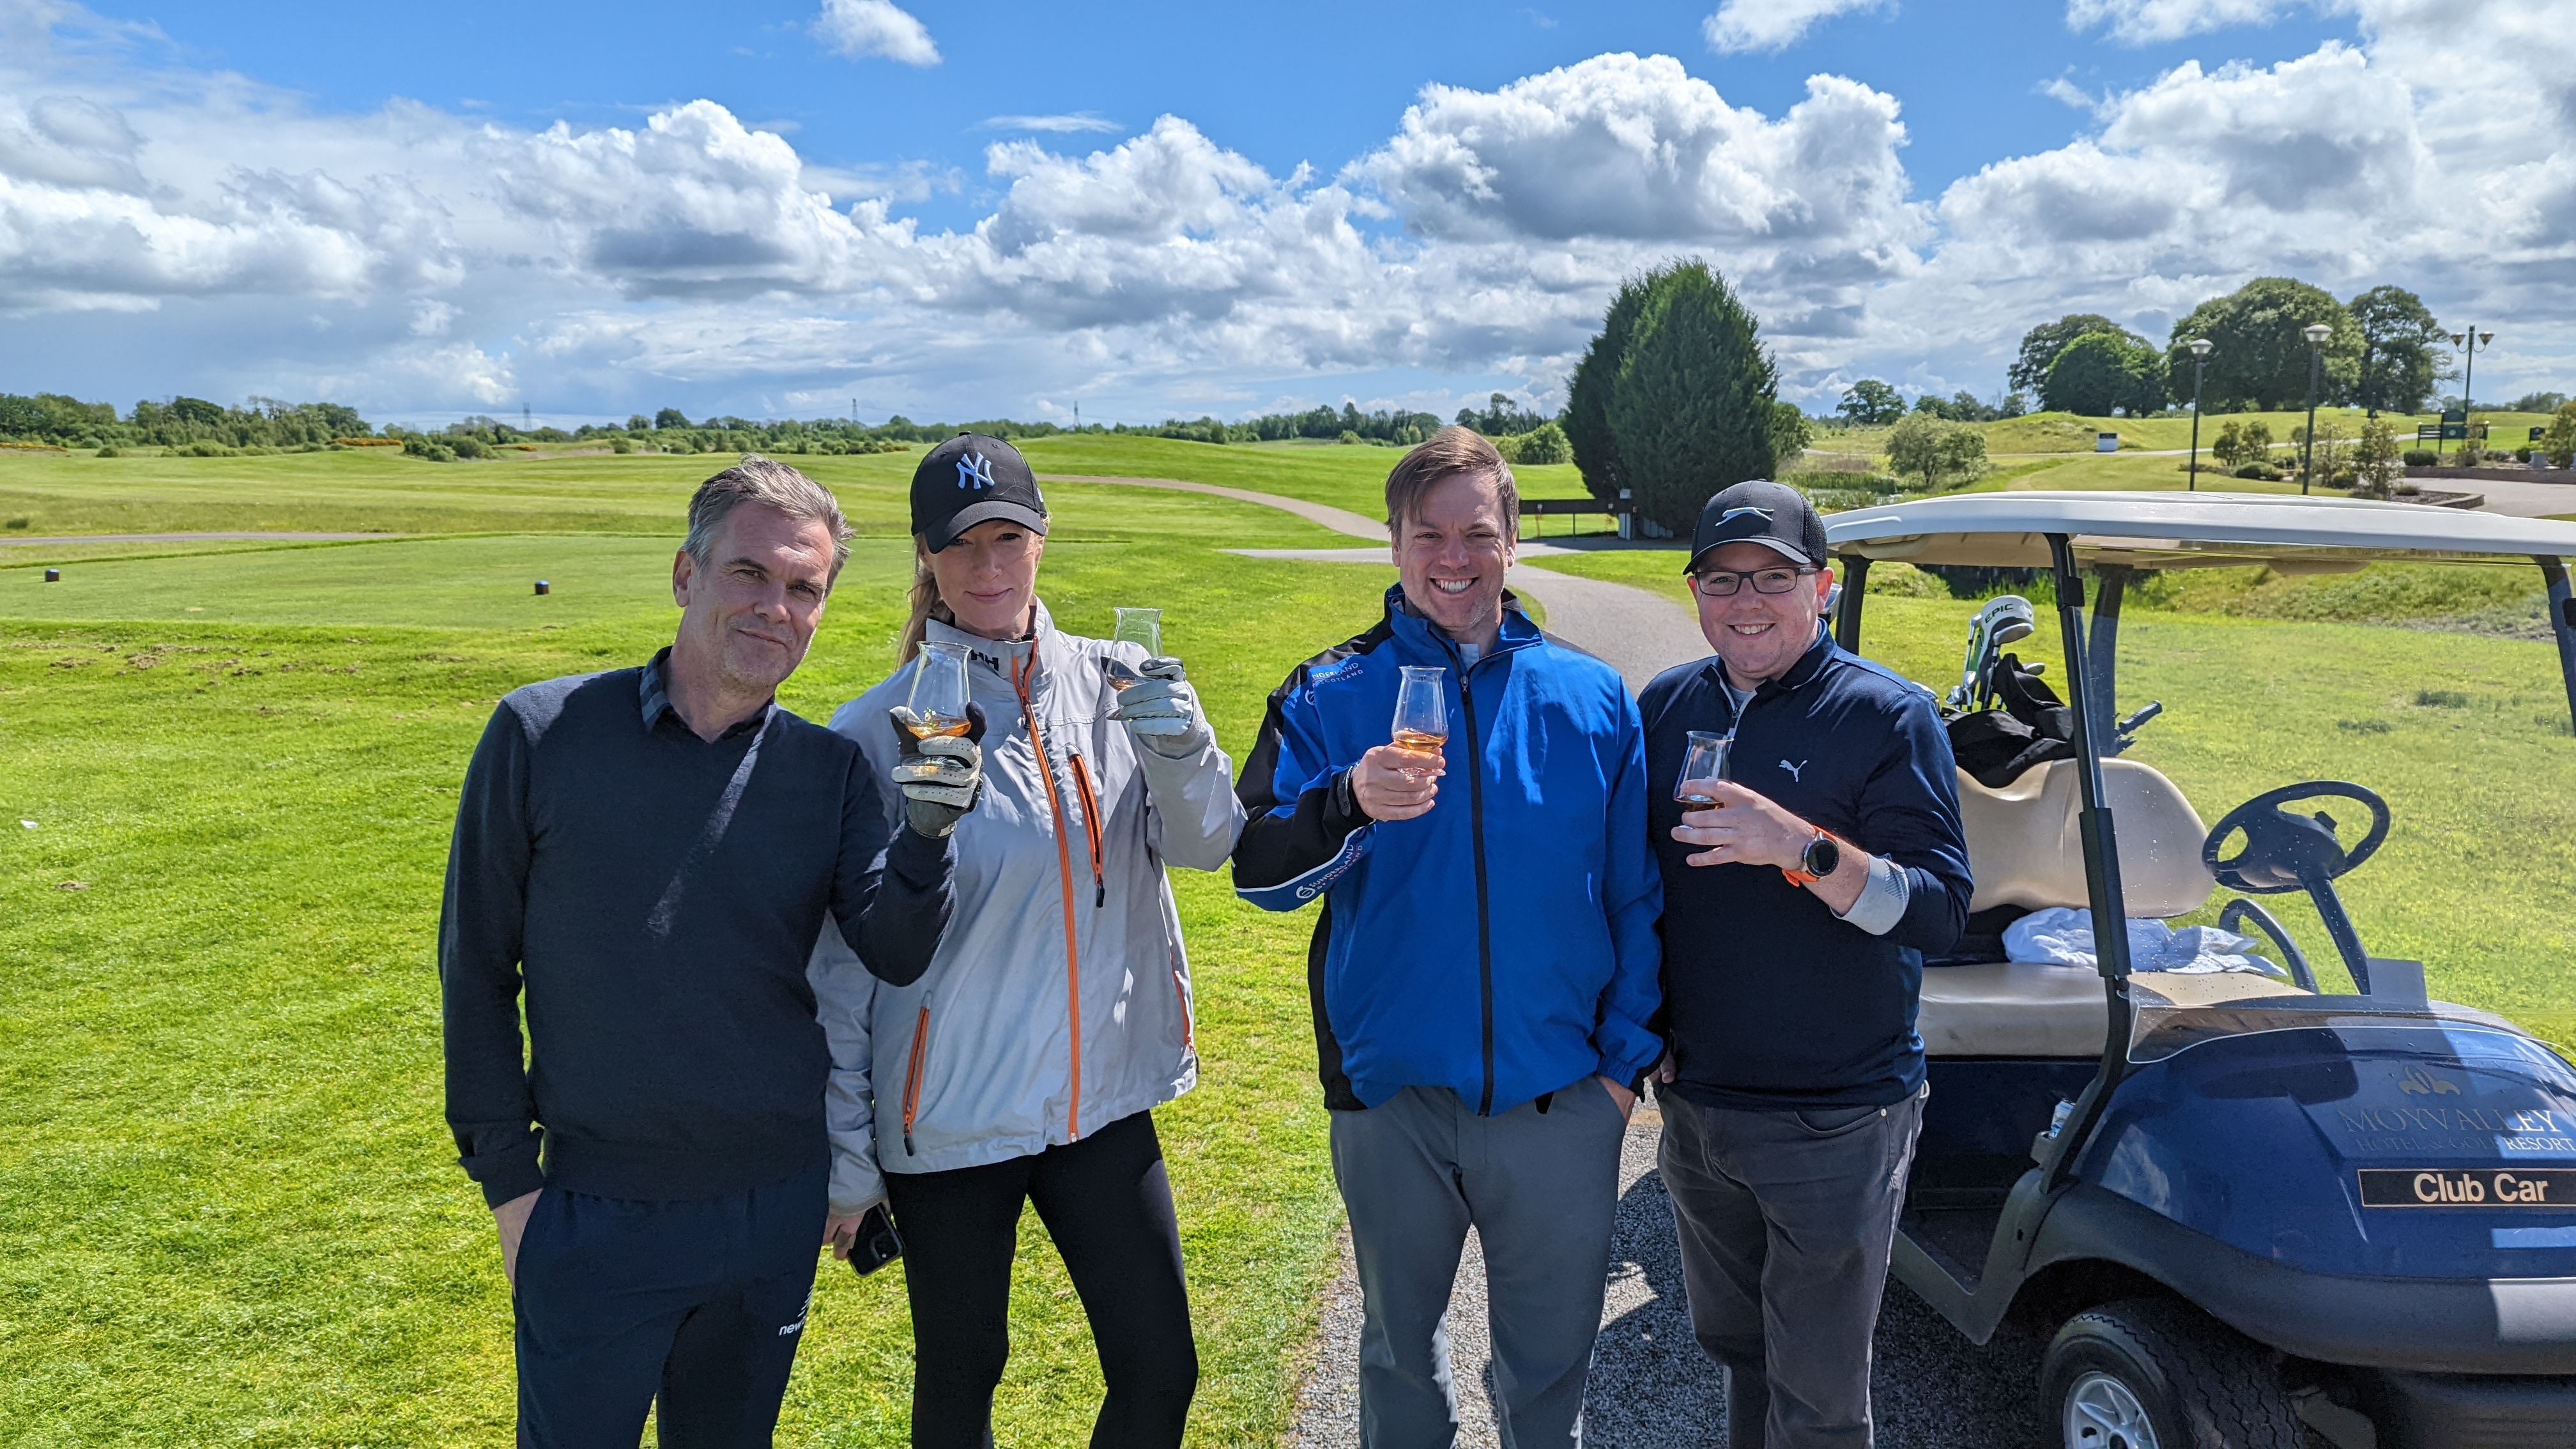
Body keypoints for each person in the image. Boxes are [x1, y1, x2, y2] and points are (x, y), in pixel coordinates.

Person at [440, 457, 977, 1447]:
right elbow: (475, 971)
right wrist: (511, 1187)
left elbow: (896, 951)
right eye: (750, 573)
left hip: (769, 1214)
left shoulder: (829, 772)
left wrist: (929, 833)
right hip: (592, 1211)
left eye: (803, 588)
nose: (776, 606)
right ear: (687, 576)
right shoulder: (542, 733)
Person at [809, 434, 1244, 1449]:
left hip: (1101, 1102)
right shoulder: (877, 731)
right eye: (964, 547)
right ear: (928, 559)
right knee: (964, 1375)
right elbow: (840, 972)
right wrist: (846, 1159)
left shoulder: (1123, 682)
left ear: (1043, 538)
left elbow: (1209, 842)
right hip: (951, 1114)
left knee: (1160, 1366)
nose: (991, 567)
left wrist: (1180, 748)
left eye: (1010, 536)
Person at [1233, 425, 1662, 1447]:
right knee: (1394, 1356)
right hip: (1395, 1105)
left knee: (1551, 1360)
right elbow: (1256, 870)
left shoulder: (1594, 697)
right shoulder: (1327, 692)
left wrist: (1618, 1078)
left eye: (1477, 531)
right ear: (1394, 542)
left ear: (1514, 540)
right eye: (1429, 534)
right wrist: (1345, 802)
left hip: (1562, 1100)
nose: (1454, 558)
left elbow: (1636, 897)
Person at [1639, 480, 1973, 1449]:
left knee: (1822, 1394)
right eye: (1723, 579)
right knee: (1740, 1348)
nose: (1747, 603)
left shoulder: (1887, 716)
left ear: (1822, 587)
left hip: (1836, 1115)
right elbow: (1639, 887)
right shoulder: (1667, 704)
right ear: (1695, 589)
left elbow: (1943, 912)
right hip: (1700, 1107)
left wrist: (1804, 849)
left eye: (1775, 579)